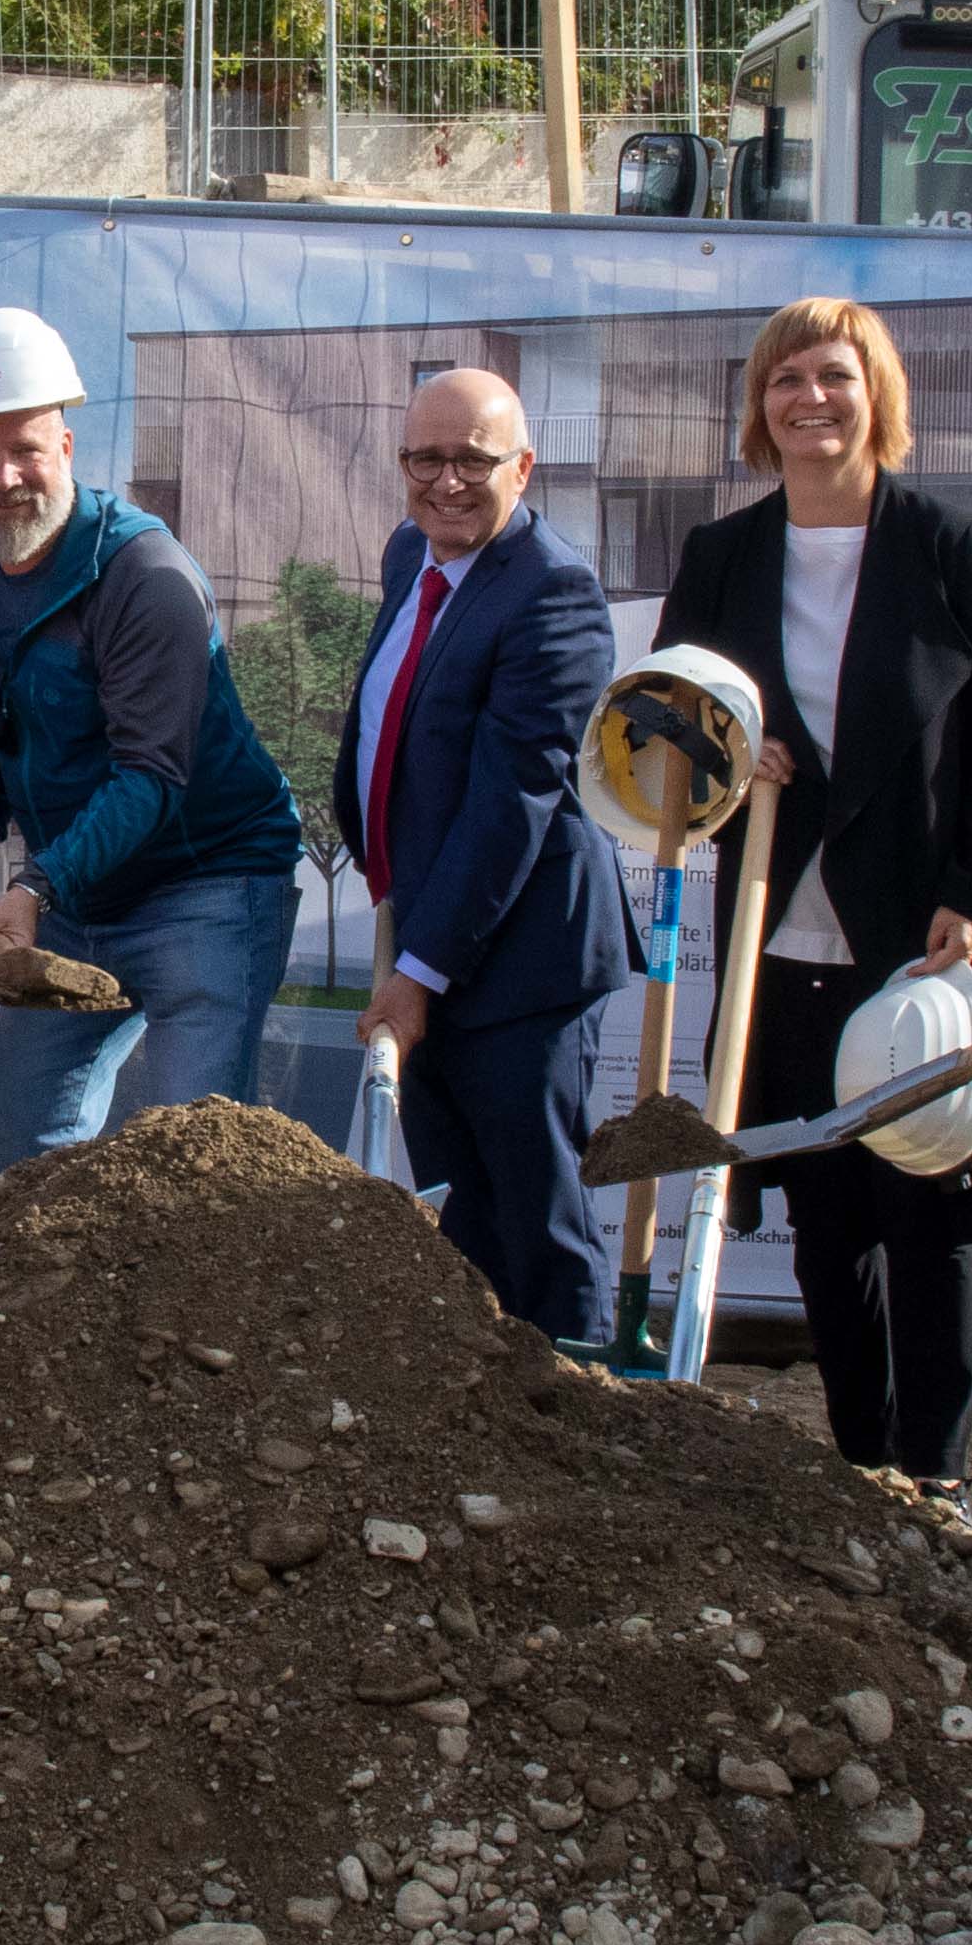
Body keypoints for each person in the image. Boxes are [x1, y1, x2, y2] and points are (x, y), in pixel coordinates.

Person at [657, 299, 972, 1493]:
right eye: (785, 379)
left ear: (875, 395)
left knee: (928, 1211)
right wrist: (738, 756)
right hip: (780, 934)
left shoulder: (943, 547)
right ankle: (860, 1461)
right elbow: (669, 722)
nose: (810, 399)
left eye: (834, 375)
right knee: (827, 1213)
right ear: (759, 407)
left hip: (927, 934)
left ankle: (934, 1475)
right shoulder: (720, 557)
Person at [0, 306, 308, 1165]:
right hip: (78, 897)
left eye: (26, 447)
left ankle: (208, 1303)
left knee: (196, 1155)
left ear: (65, 448)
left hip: (205, 884)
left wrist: (34, 889)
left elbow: (152, 775)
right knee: (24, 1142)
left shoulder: (145, 575)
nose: (5, 475)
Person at [331, 367, 636, 1339]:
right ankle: (487, 1443)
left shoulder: (555, 595)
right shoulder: (406, 558)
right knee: (462, 1222)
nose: (447, 481)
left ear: (524, 466)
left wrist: (420, 971)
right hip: (429, 933)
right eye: (426, 458)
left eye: (474, 460)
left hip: (520, 963)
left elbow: (513, 802)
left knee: (537, 1218)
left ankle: (577, 1425)